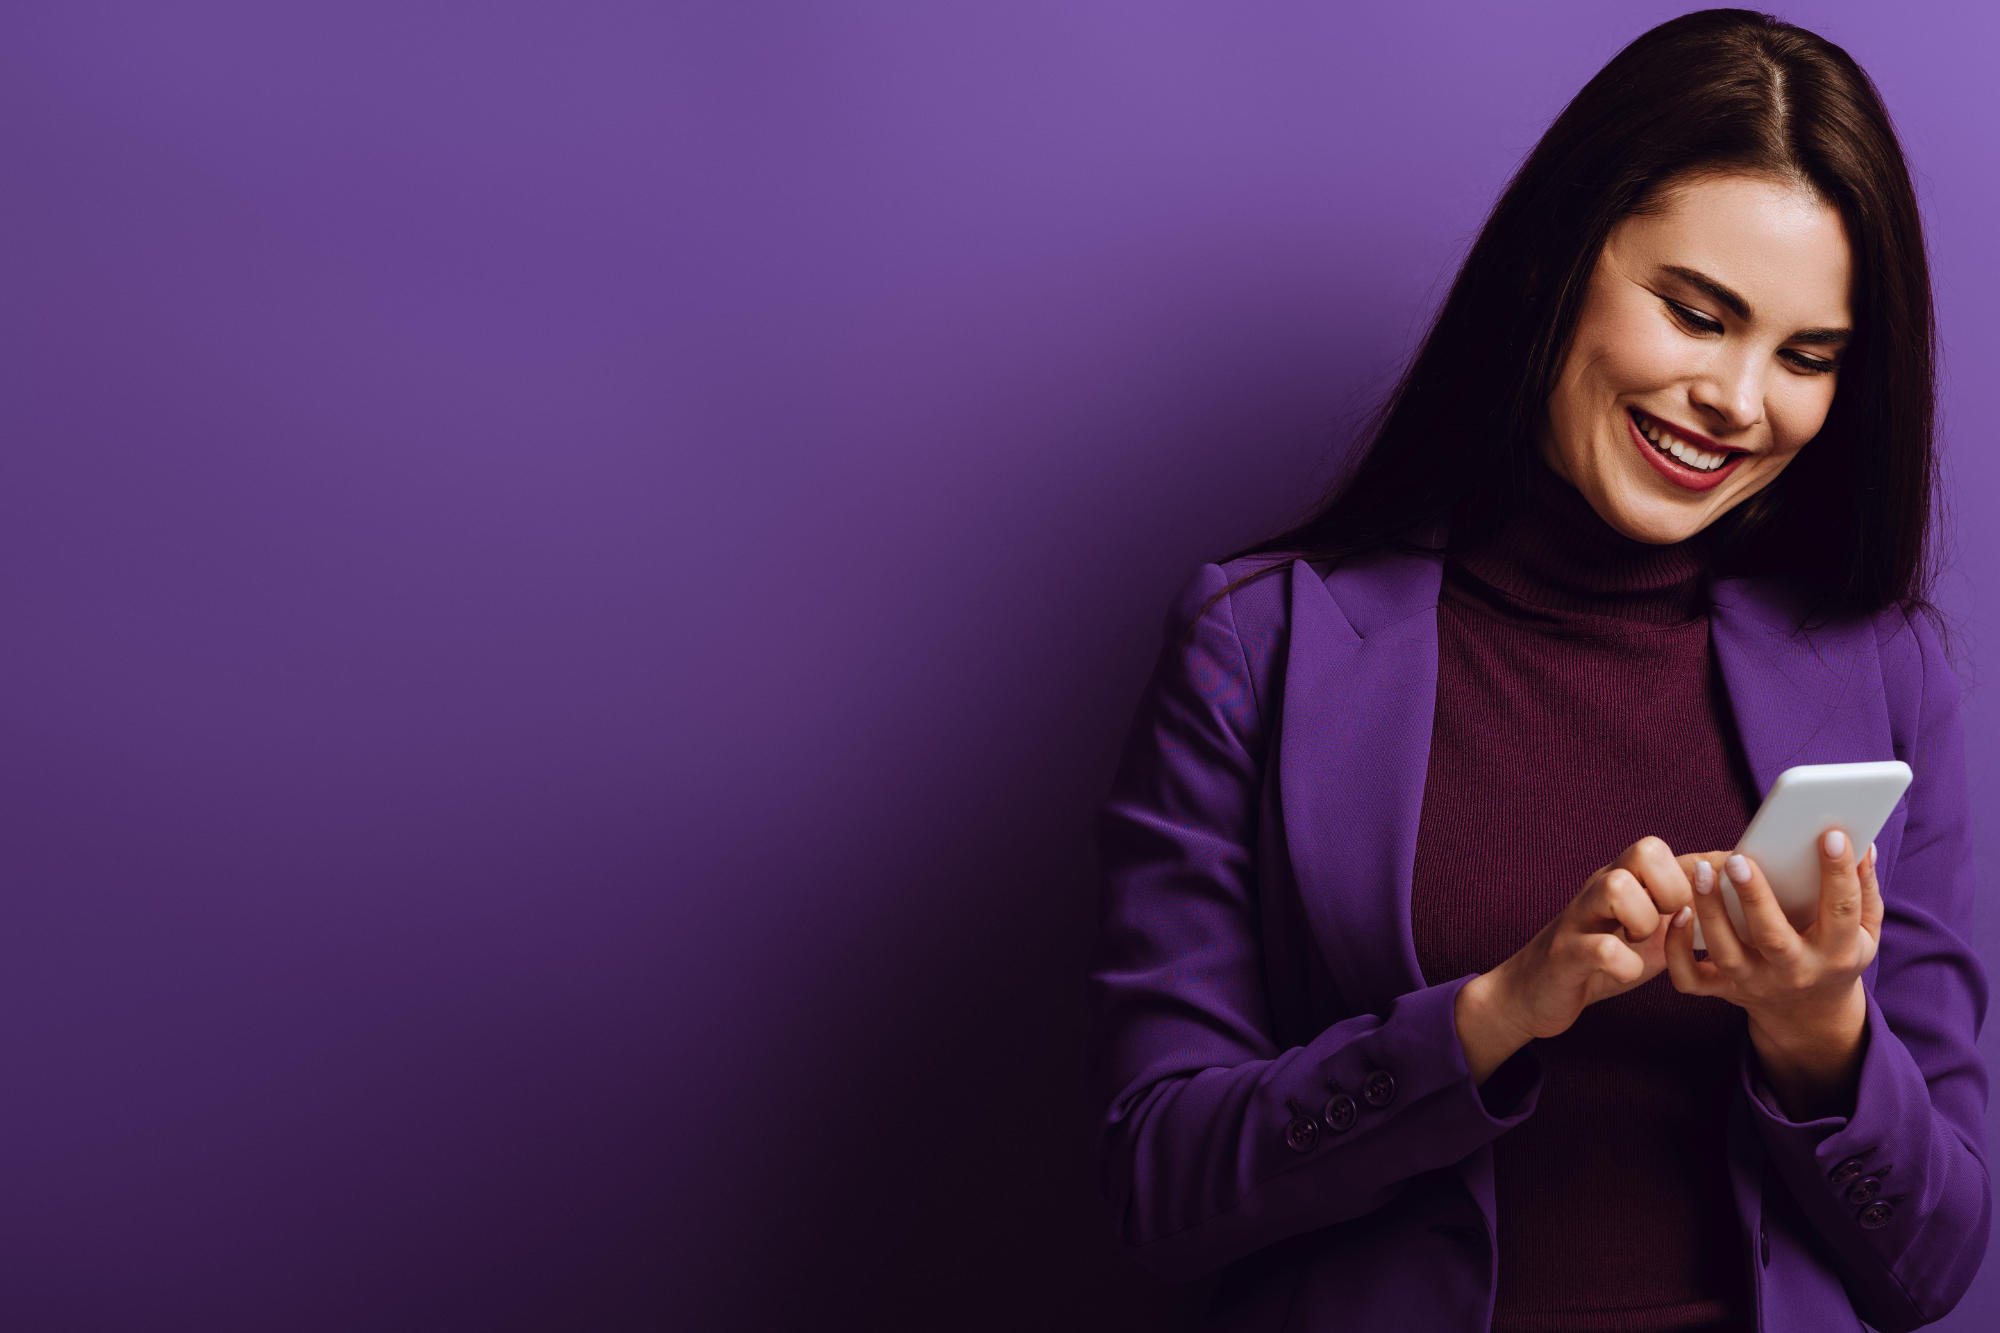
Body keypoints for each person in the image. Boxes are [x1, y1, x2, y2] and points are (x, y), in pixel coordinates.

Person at [1082, 10, 1988, 1333]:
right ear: (1560, 265)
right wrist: (1497, 1012)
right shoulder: (1259, 643)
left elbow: (1934, 1268)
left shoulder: (1883, 672)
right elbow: (1157, 1183)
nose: (1739, 399)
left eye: (1806, 357)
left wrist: (1819, 1035)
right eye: (1697, 312)